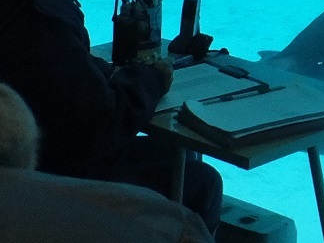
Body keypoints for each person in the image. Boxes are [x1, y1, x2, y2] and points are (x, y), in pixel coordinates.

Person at [0, 0, 222, 233]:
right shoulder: (36, 2)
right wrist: (152, 78)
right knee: (197, 178)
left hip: (19, 158)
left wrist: (96, 71)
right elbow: (96, 126)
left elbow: (42, 71)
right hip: (36, 174)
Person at [0, 81, 214, 243]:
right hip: (68, 165)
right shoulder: (166, 223)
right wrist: (150, 79)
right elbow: (103, 112)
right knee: (203, 179)